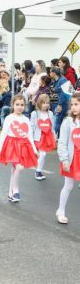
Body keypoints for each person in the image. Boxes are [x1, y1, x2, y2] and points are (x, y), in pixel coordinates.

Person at [0, 94, 38, 203]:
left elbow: (30, 135)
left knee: (15, 169)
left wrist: (34, 149)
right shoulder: (9, 118)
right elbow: (3, 133)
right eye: (17, 104)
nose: (19, 107)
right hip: (12, 146)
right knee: (19, 167)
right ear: (13, 105)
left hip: (23, 146)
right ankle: (15, 190)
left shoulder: (26, 119)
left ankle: (10, 193)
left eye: (22, 105)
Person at [56, 92, 80, 224]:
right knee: (69, 185)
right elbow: (62, 142)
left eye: (77, 104)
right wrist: (64, 160)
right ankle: (61, 211)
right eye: (72, 104)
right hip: (72, 159)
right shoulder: (67, 122)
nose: (74, 107)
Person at [31, 94, 56, 181]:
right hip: (38, 137)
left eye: (47, 103)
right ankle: (37, 171)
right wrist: (30, 138)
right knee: (43, 154)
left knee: (43, 155)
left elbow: (52, 126)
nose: (45, 105)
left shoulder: (50, 113)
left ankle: (39, 171)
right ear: (39, 103)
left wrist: (54, 136)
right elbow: (32, 126)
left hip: (47, 137)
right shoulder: (35, 114)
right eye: (43, 103)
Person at [49, 67, 70, 136]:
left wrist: (60, 104)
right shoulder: (54, 81)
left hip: (61, 104)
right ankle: (57, 137)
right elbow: (54, 91)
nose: (49, 74)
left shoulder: (63, 80)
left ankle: (54, 138)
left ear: (54, 73)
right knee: (57, 121)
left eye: (50, 72)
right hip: (55, 103)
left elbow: (64, 93)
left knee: (56, 121)